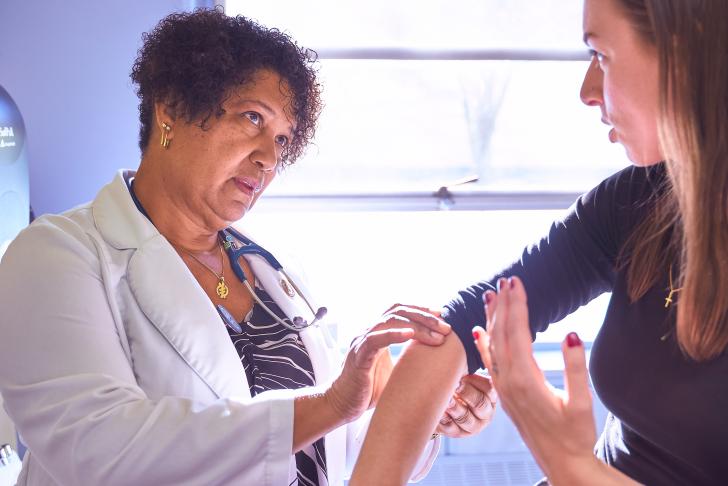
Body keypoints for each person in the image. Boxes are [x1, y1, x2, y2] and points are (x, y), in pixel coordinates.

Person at [0, 9, 496, 486]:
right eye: (252, 118)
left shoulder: (274, 274)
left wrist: (417, 407)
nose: (267, 159)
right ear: (171, 109)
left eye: (283, 139)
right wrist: (333, 403)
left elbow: (325, 452)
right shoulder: (57, 257)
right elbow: (100, 452)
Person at [348, 0, 728, 485]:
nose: (588, 90)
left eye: (602, 56)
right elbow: (460, 329)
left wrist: (566, 461)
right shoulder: (637, 200)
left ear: (682, 57)